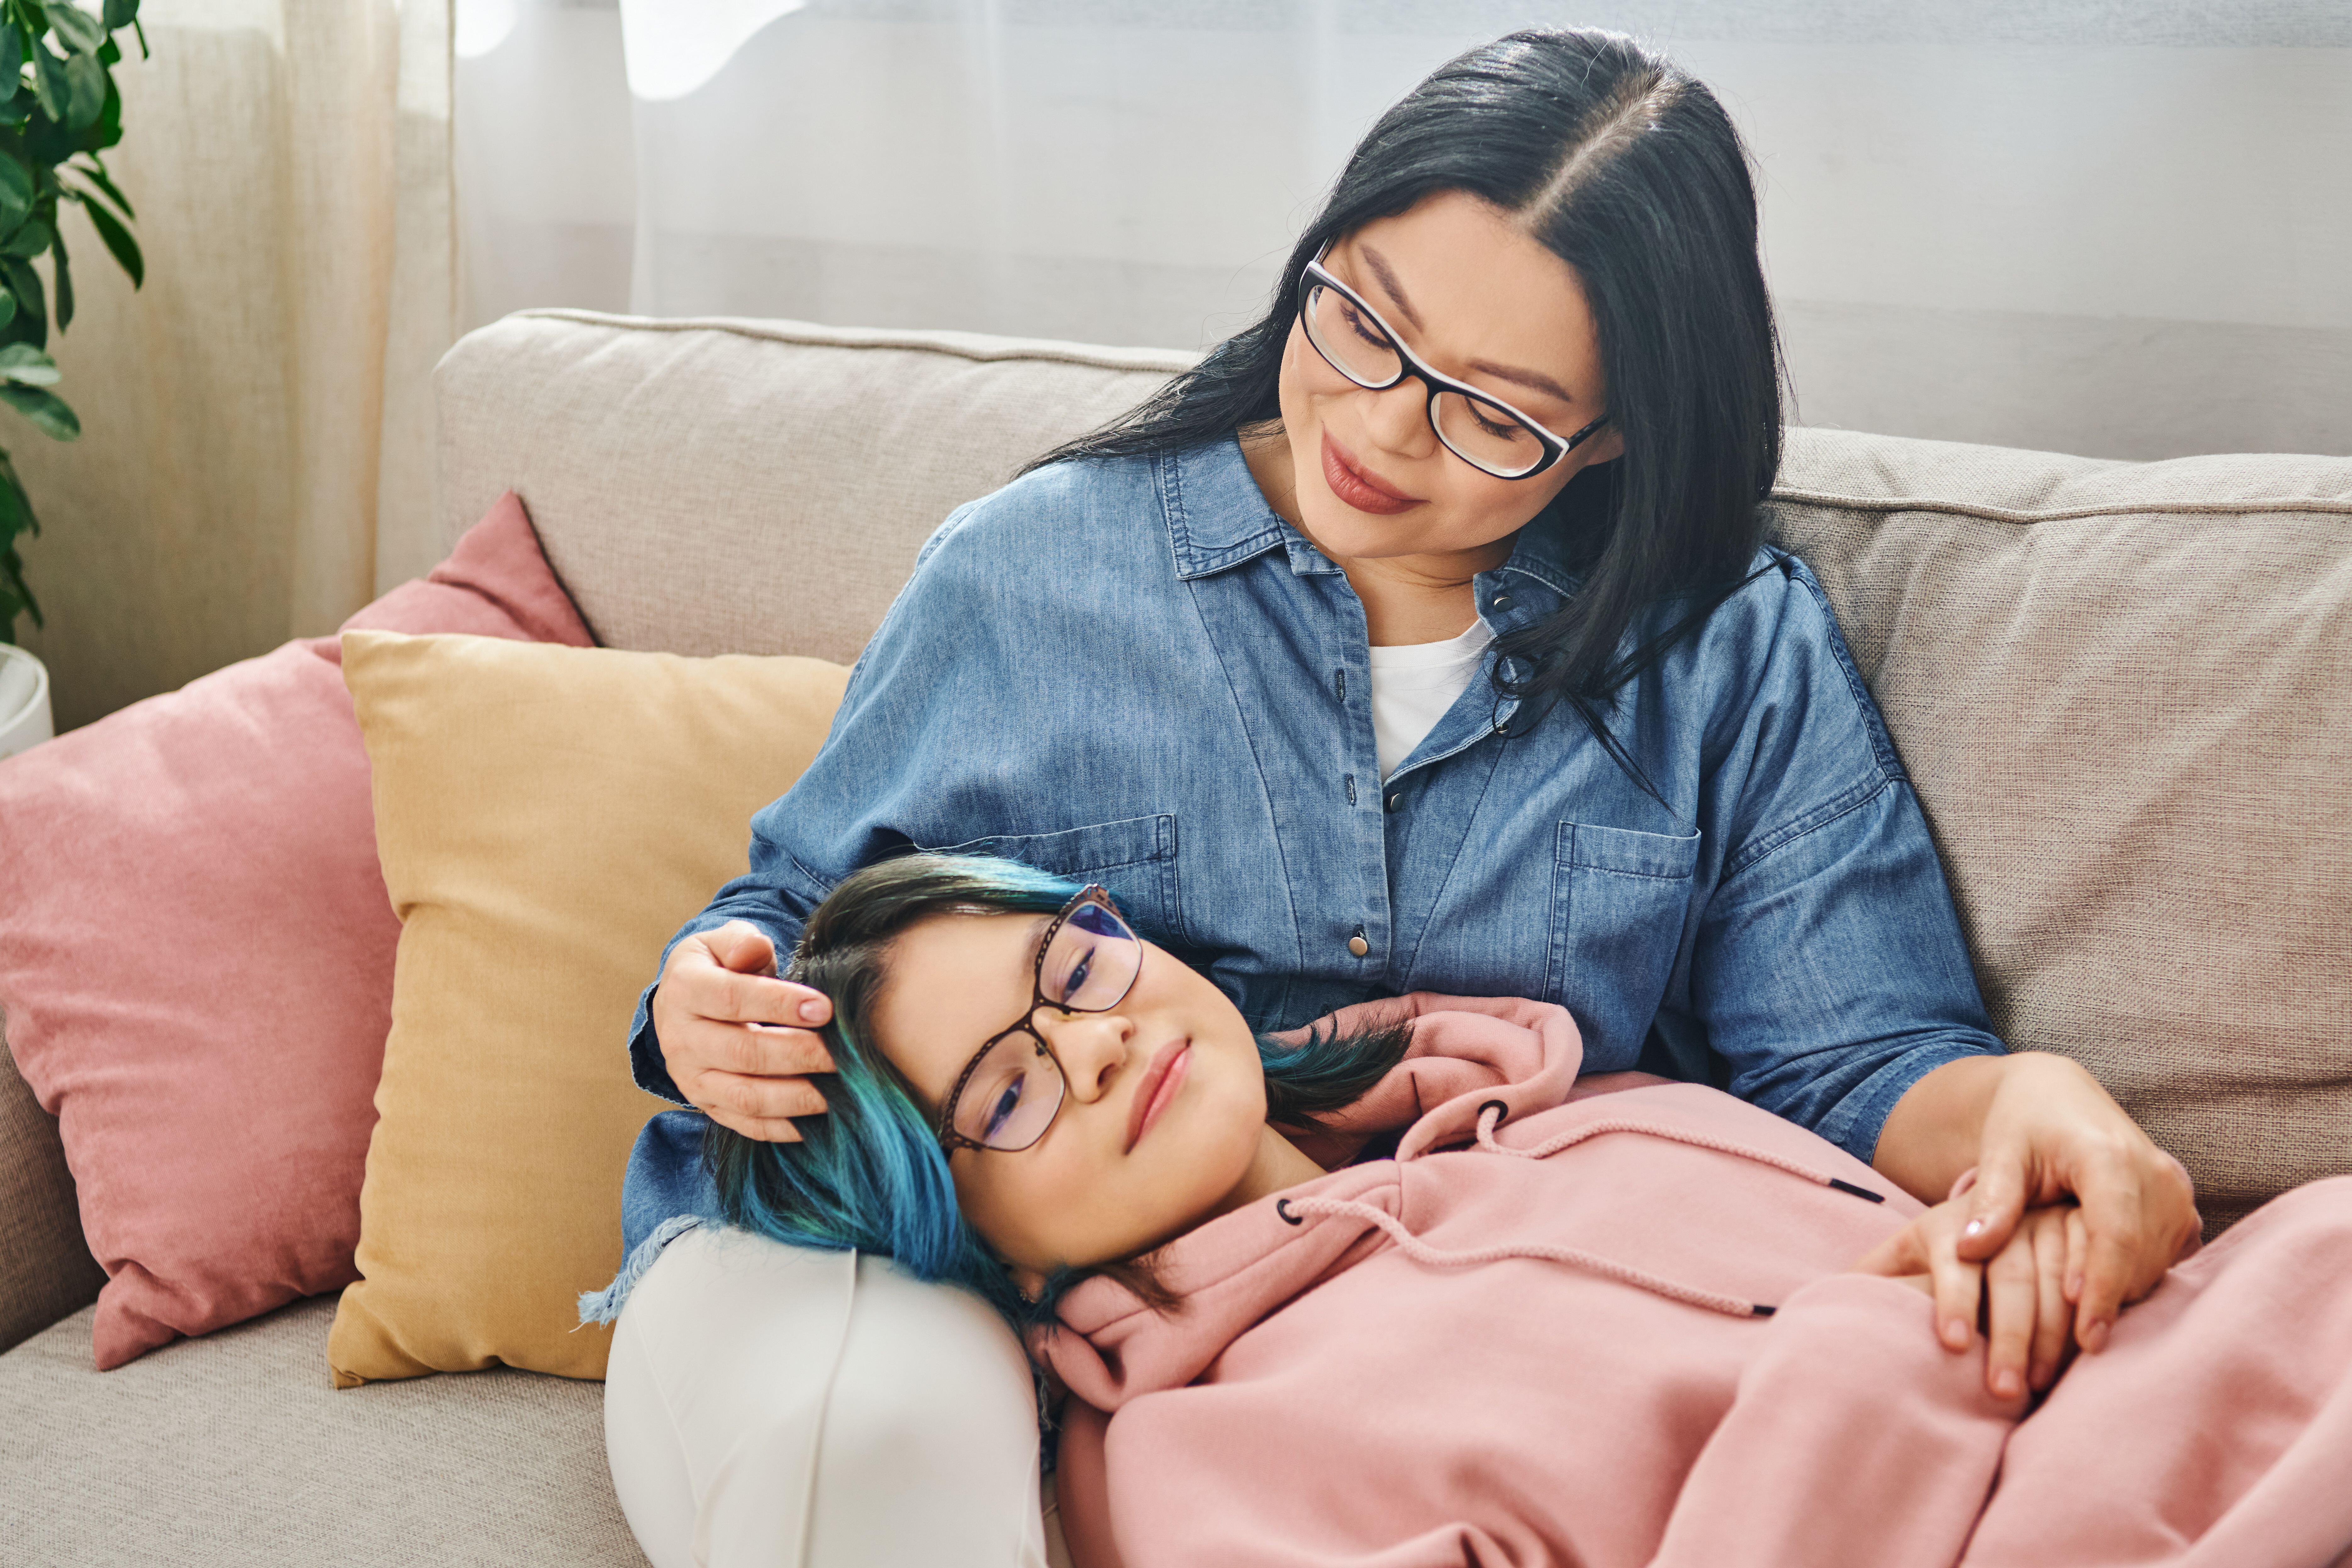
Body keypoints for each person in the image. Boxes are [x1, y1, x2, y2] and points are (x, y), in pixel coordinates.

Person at [597, 23, 2199, 1566]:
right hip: (915, 1272)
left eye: (1492, 413)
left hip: (1446, 1344)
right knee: (880, 1438)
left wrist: (2034, 1106)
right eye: (1358, 320)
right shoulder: (1033, 576)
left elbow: (1853, 1054)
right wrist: (701, 1008)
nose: (1374, 426)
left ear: (1612, 435)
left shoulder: (1716, 644)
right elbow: (792, 922)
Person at [676, 855, 2352, 1568]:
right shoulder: (1198, 1470)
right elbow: (1884, 1331)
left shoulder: (1566, 1101)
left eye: (1075, 964)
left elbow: (1999, 1227)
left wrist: (2037, 1198)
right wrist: (1878, 1349)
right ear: (981, 1231)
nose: (1099, 1037)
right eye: (1008, 1090)